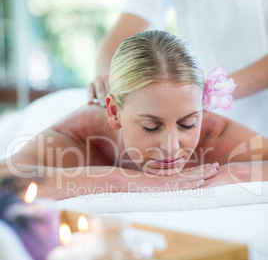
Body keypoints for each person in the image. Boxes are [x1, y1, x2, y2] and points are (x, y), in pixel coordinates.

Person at [0, 31, 267, 200]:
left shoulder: (213, 133)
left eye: (187, 124)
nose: (172, 147)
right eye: (151, 127)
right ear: (114, 113)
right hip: (44, 111)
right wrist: (121, 178)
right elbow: (4, 180)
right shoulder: (76, 137)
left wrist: (235, 173)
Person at [88, 0, 268, 135]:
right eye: (150, 126)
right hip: (205, 118)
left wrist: (205, 93)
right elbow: (118, 37)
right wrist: (111, 83)